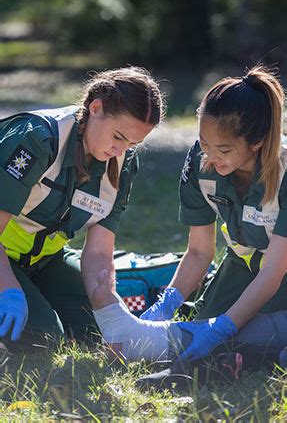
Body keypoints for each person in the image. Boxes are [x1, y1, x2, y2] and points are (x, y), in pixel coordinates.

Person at [92, 66, 287, 380]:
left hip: (278, 273)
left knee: (235, 333)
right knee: (201, 335)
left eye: (223, 149)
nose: (210, 156)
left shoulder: (285, 172)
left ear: (257, 142)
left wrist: (223, 327)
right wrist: (166, 304)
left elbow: (274, 271)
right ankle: (151, 340)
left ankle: (247, 351)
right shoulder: (201, 160)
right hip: (243, 268)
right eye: (204, 143)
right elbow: (199, 252)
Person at [0, 66, 163, 352]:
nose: (120, 150)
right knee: (42, 340)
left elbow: (99, 252)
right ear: (96, 108)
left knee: (95, 331)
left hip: (44, 260)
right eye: (118, 136)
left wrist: (111, 312)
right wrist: (9, 290)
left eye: (133, 143)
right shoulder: (37, 139)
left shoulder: (124, 163)